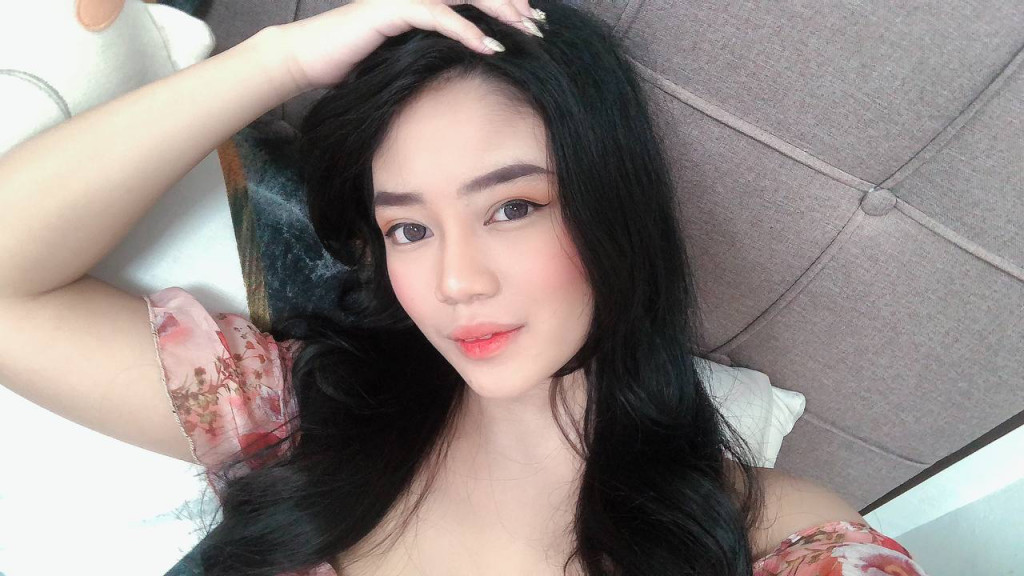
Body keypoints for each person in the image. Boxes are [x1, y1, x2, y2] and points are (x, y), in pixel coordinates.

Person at [0, 1, 929, 575]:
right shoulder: (297, 416)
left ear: (612, 206)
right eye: (408, 227)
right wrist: (282, 60)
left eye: (513, 208)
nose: (454, 282)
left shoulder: (778, 538)